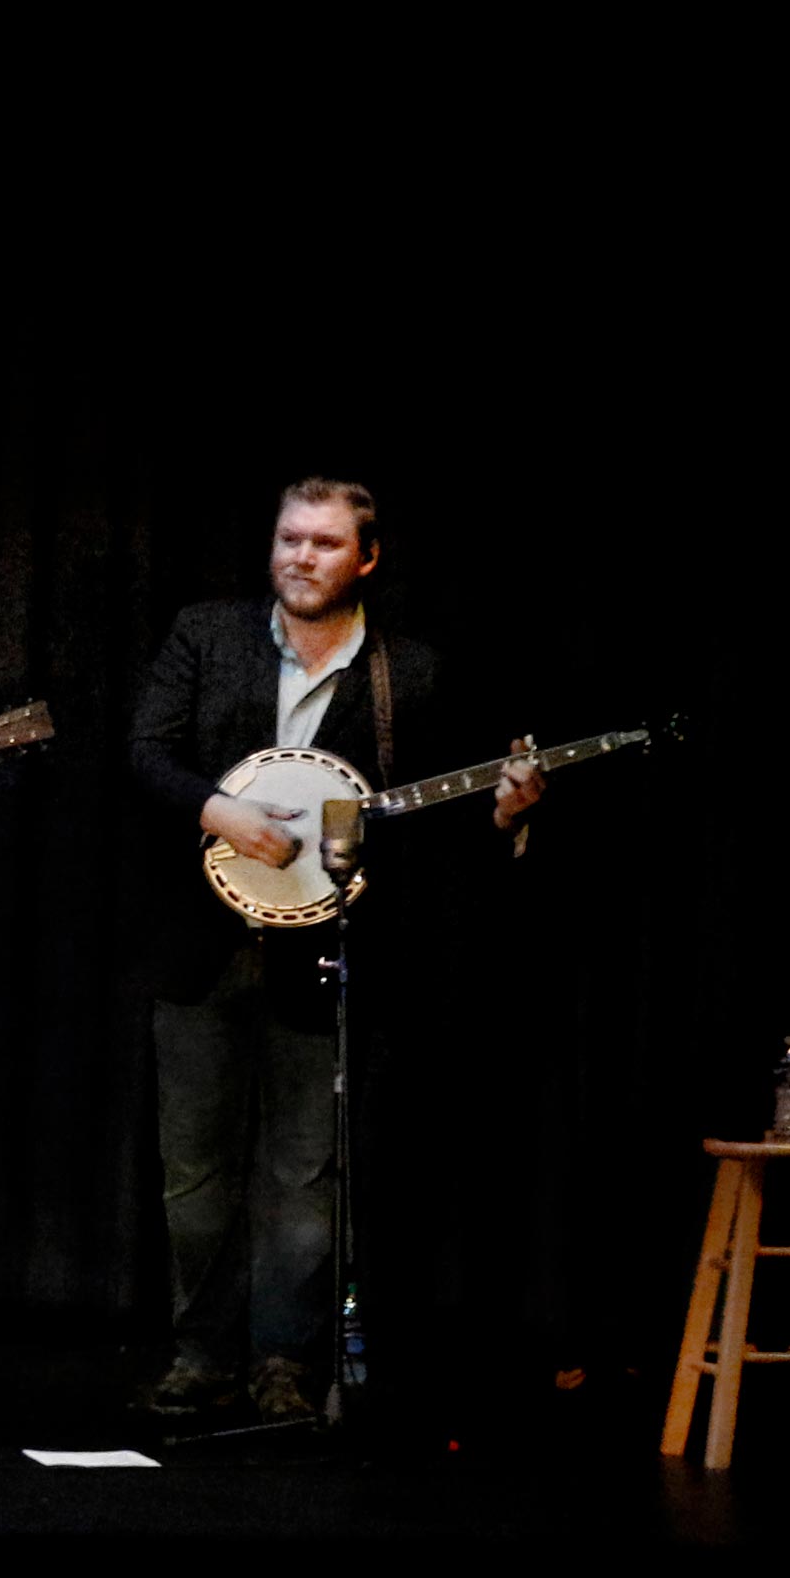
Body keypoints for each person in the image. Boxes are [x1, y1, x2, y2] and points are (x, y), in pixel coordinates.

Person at [126, 476, 541, 1421]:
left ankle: (282, 1361)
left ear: (366, 557)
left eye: (321, 542)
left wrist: (505, 812)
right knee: (192, 1172)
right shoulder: (205, 633)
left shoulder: (411, 671)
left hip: (330, 949)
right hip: (201, 941)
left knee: (304, 1174)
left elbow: (443, 812)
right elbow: (145, 752)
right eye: (287, 539)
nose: (299, 558)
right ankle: (200, 1355)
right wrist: (218, 808)